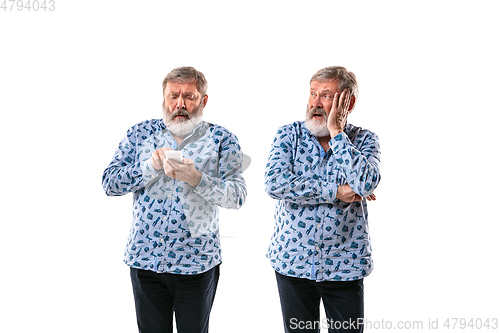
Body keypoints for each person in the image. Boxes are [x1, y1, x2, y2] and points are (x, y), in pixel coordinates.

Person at [102, 67, 247, 333]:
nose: (180, 104)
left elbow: (237, 196)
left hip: (197, 265)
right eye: (173, 96)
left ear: (203, 100)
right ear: (164, 99)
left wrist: (197, 179)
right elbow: (109, 183)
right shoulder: (139, 134)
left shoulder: (222, 139)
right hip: (145, 260)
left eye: (189, 96)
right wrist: (150, 166)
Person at [264, 66, 381, 333]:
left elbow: (366, 183)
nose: (315, 103)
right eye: (312, 94)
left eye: (326, 96)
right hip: (292, 262)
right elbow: (275, 184)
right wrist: (337, 191)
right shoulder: (288, 135)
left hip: (345, 264)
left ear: (348, 102)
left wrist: (338, 133)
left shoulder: (364, 140)